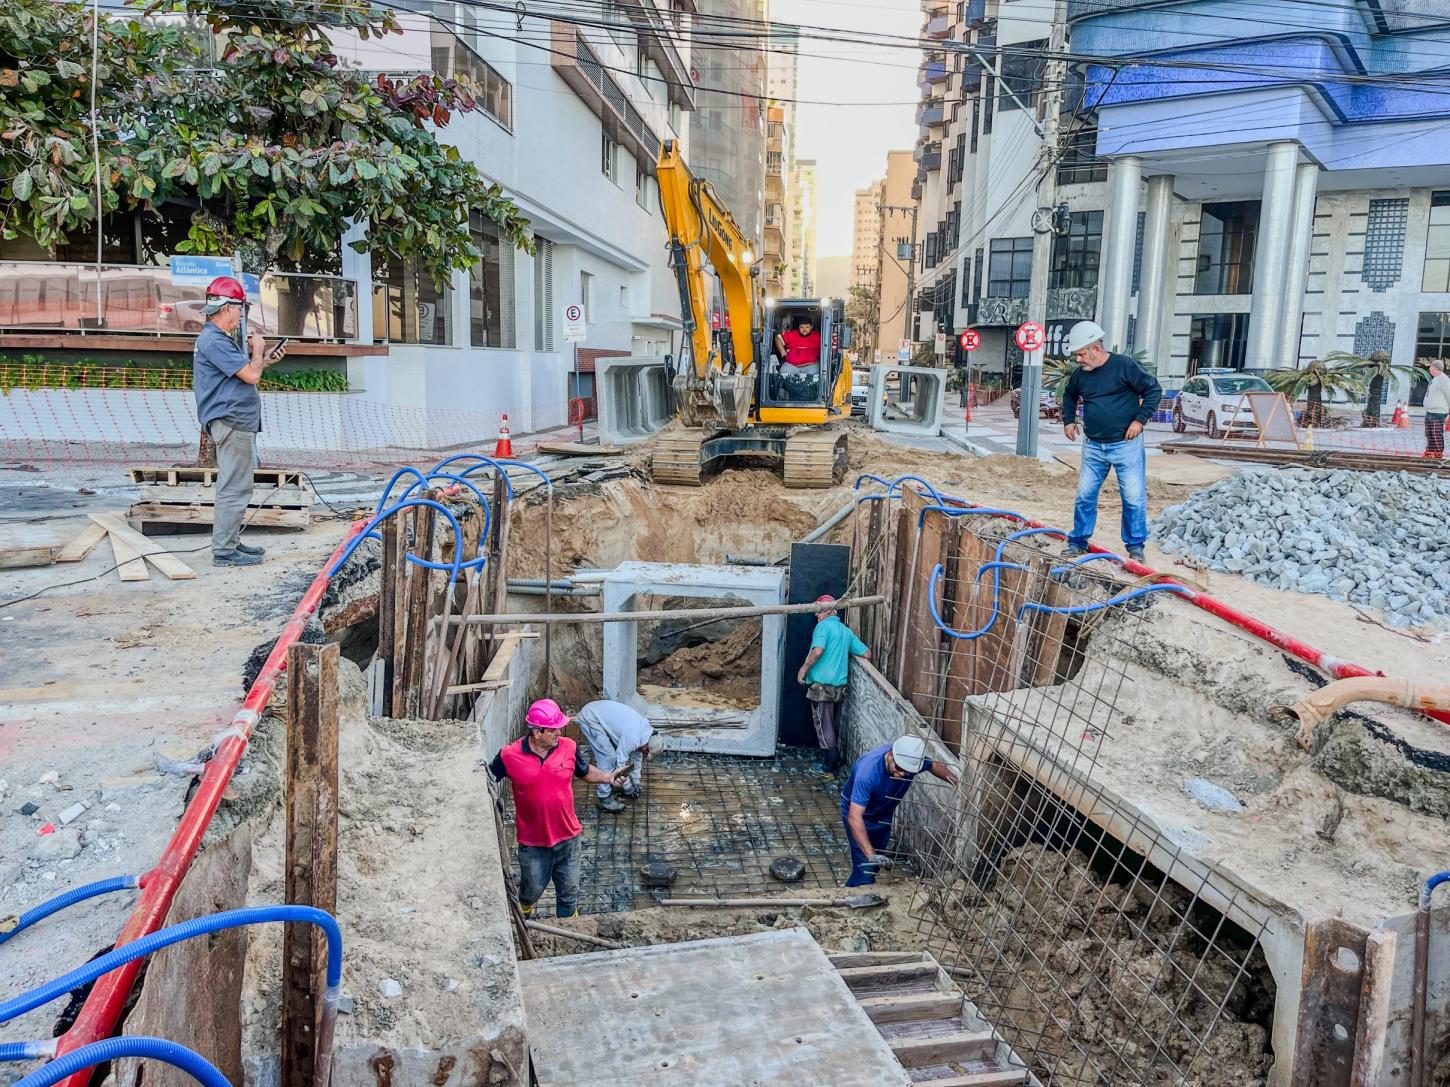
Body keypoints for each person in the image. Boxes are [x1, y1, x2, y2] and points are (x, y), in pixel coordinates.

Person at [489, 698, 629, 917]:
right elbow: (488, 780)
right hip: (533, 842)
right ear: (536, 732)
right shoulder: (509, 755)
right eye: (553, 729)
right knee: (532, 889)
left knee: (569, 892)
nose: (559, 733)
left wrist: (608, 778)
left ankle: (569, 932)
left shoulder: (568, 747)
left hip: (568, 837)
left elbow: (584, 772)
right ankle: (522, 916)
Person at [192, 276, 285, 568]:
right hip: (231, 422)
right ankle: (224, 550)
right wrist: (257, 349)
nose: (241, 315)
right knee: (234, 486)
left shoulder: (218, 340)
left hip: (235, 421)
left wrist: (265, 359)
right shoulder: (214, 340)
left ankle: (230, 542)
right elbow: (251, 376)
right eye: (239, 308)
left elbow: (245, 371)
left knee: (238, 485)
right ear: (226, 307)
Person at [1059, 320, 1162, 563]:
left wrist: (1140, 420)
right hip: (1094, 446)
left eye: (1081, 354)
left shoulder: (1124, 367)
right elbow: (1069, 395)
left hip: (1126, 446)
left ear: (1095, 349)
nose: (1078, 360)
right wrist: (1068, 420)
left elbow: (1153, 390)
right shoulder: (1080, 376)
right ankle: (1078, 541)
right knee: (1085, 494)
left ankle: (1135, 545)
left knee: (1133, 497)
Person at [840, 736, 957, 887]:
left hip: (884, 813)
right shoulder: (867, 773)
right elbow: (854, 817)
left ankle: (862, 876)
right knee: (866, 868)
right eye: (899, 768)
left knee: (876, 859)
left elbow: (933, 765)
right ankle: (852, 892)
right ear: (889, 756)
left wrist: (959, 783)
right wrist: (870, 855)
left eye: (907, 772)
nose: (902, 774)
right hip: (860, 816)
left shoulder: (909, 761)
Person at [796, 595, 870, 770]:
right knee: (830, 722)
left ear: (829, 610)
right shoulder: (845, 631)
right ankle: (832, 755)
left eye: (819, 611)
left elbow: (818, 650)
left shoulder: (822, 627)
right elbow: (867, 653)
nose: (816, 615)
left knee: (822, 723)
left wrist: (803, 669)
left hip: (822, 686)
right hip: (838, 688)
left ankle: (830, 761)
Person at [573, 699, 666, 813]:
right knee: (608, 758)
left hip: (598, 714)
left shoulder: (644, 734)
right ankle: (604, 798)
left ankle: (610, 782)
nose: (644, 754)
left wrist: (636, 782)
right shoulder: (634, 736)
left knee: (610, 756)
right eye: (646, 753)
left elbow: (636, 759)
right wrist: (627, 788)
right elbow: (620, 763)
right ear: (647, 747)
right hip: (590, 718)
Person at [773, 313, 822, 400]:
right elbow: (777, 338)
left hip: (811, 366)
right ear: (799, 327)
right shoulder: (792, 334)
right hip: (792, 366)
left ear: (811, 327)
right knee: (783, 372)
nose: (804, 329)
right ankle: (784, 400)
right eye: (802, 327)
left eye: (807, 327)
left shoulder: (818, 336)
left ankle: (810, 399)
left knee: (816, 377)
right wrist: (783, 352)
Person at [1423, 360, 1450, 459]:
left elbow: (1449, 395)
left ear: (1435, 368)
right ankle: (1430, 451)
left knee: (1436, 433)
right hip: (1430, 411)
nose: (1429, 369)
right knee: (1429, 433)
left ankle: (1438, 453)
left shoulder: (1444, 380)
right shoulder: (1435, 379)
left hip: (1438, 411)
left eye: (1430, 367)